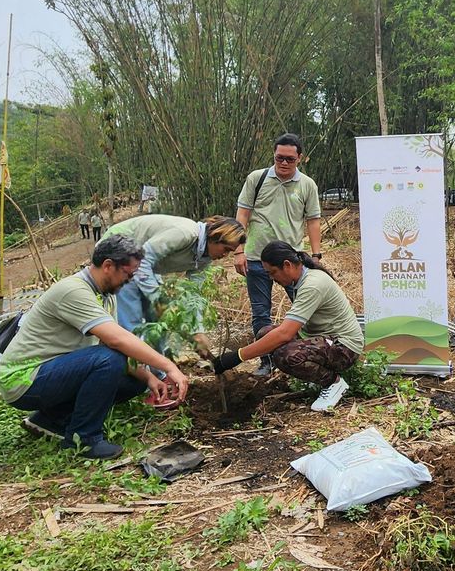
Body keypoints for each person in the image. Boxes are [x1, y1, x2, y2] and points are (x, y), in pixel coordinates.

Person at [0, 234, 190, 459]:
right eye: (128, 273)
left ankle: (51, 418)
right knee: (108, 360)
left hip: (52, 373)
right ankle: (84, 439)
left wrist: (148, 378)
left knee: (134, 379)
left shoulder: (106, 295)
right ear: (108, 266)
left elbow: (111, 344)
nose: (130, 280)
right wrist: (169, 366)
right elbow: (116, 341)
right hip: (23, 380)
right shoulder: (74, 291)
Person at [212, 241, 363, 412]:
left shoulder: (313, 285)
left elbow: (285, 333)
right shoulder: (302, 280)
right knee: (265, 334)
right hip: (324, 338)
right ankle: (317, 379)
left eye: (272, 272)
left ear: (287, 265)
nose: (271, 279)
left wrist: (238, 356)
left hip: (343, 347)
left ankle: (333, 383)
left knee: (285, 355)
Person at [235, 133, 323, 376]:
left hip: (291, 261)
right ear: (273, 155)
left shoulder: (307, 185)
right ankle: (267, 361)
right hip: (256, 258)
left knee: (304, 308)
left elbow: (313, 220)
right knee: (260, 312)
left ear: (300, 159)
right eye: (279, 158)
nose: (284, 163)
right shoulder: (257, 178)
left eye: (290, 159)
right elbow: (242, 215)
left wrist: (316, 255)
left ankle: (307, 355)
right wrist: (238, 250)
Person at [106, 214, 246, 358]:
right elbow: (143, 259)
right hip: (119, 249)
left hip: (145, 263)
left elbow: (193, 295)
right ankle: (136, 371)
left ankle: (160, 372)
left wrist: (197, 331)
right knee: (133, 320)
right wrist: (159, 300)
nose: (226, 255)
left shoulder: (204, 259)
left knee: (159, 321)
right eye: (226, 249)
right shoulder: (185, 234)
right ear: (216, 237)